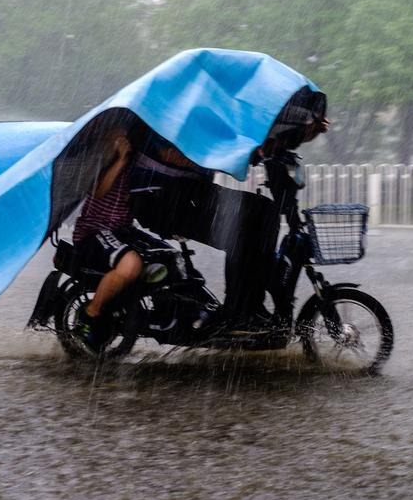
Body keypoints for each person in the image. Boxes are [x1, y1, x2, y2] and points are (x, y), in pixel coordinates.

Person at [127, 88, 328, 333]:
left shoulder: (210, 119)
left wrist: (295, 134)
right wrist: (236, 152)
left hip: (187, 191)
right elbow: (176, 155)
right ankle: (236, 312)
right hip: (157, 197)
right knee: (238, 230)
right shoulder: (169, 119)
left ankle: (251, 305)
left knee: (264, 210)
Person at [72, 128, 143, 352]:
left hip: (122, 231)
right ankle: (91, 313)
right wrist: (120, 159)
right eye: (117, 133)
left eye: (126, 133)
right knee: (130, 265)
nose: (123, 138)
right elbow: (100, 191)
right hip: (94, 231)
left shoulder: (138, 162)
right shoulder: (101, 160)